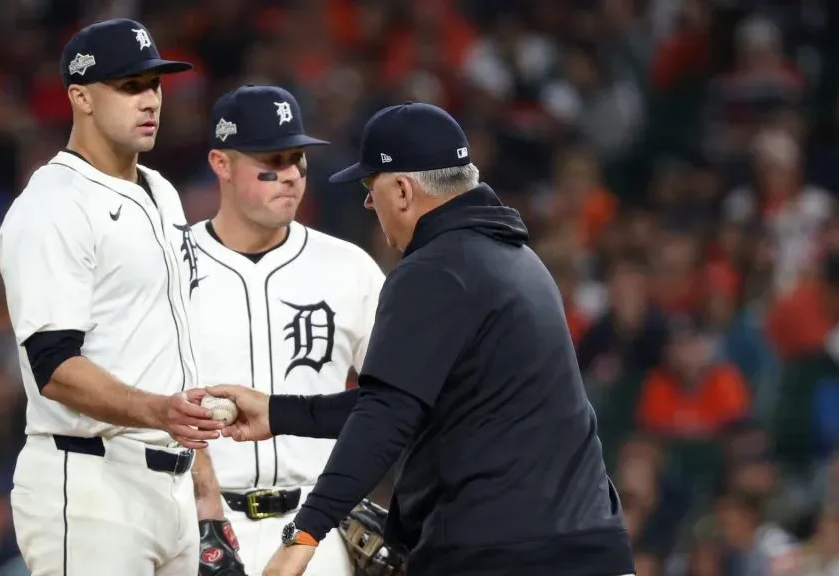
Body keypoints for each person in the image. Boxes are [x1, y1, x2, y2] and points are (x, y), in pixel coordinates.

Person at [204, 102, 635, 576]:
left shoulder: (435, 269)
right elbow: (406, 399)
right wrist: (279, 412)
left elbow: (386, 416)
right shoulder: (515, 260)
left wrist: (305, 534)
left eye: (372, 191)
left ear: (403, 190)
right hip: (591, 544)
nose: (372, 207)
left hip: (504, 551)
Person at [0, 19, 235, 576]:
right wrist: (158, 411)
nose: (149, 100)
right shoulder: (54, 204)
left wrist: (203, 485)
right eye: (129, 86)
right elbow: (54, 366)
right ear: (81, 98)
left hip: (170, 487)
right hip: (90, 484)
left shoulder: (162, 192)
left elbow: (169, 352)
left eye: (154, 85)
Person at [187, 84, 385, 575]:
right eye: (271, 161)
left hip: (313, 531)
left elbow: (401, 399)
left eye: (298, 159)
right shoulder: (170, 266)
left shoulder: (348, 269)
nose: (291, 176)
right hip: (196, 528)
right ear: (221, 163)